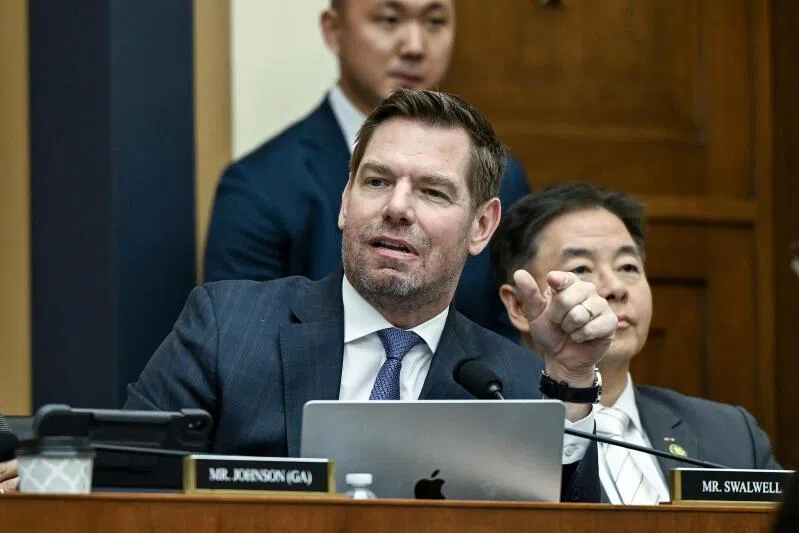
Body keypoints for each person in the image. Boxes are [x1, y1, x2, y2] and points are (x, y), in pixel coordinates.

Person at [0, 90, 618, 497]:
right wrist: (59, 481)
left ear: (482, 226)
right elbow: (123, 481)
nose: (397, 208)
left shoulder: (511, 381)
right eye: (377, 182)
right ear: (346, 202)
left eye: (432, 192)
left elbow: (573, 521)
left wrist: (567, 379)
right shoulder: (227, 327)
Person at [204, 0, 530, 339]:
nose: (415, 46)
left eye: (434, 22)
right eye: (389, 20)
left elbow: (506, 344)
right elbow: (241, 350)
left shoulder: (503, 181)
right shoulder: (258, 186)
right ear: (334, 30)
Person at [491, 182, 780, 505]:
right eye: (581, 269)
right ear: (518, 306)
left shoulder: (731, 434)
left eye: (628, 267)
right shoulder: (487, 438)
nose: (615, 287)